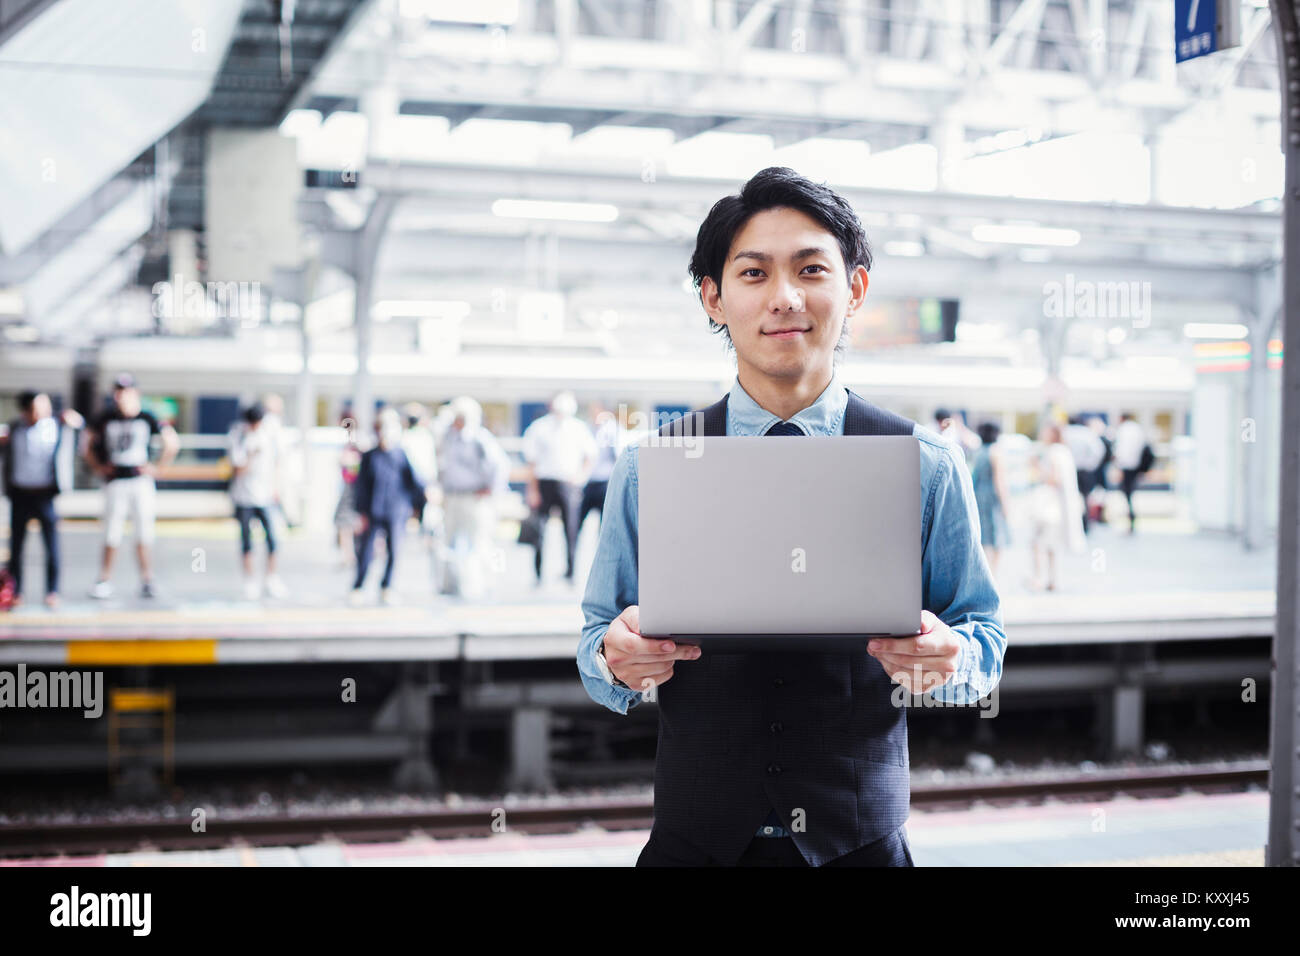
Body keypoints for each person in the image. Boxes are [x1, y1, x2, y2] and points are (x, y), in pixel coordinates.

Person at [578, 166, 1006, 867]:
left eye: (811, 269)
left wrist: (953, 660)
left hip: (860, 847)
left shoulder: (924, 463)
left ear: (855, 288)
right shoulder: (650, 464)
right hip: (694, 847)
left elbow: (983, 636)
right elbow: (597, 640)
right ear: (712, 298)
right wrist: (616, 661)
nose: (784, 297)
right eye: (752, 274)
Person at [84, 374, 179, 600]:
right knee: (111, 532)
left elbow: (171, 441)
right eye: (117, 392)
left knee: (144, 531)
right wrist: (98, 466)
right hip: (115, 480)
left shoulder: (147, 417)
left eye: (125, 392)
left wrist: (158, 468)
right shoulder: (105, 418)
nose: (120, 397)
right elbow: (86, 444)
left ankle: (147, 579)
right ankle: (104, 578)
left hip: (139, 480)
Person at [1, 391, 82, 609]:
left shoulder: (57, 425)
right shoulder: (14, 428)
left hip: (45, 494)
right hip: (20, 493)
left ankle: (52, 591)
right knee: (16, 547)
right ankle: (16, 591)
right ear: (26, 410)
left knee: (51, 545)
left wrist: (75, 421)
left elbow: (83, 432)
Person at [351, 408, 426, 606]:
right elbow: (360, 487)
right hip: (373, 510)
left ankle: (387, 587)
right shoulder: (369, 457)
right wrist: (361, 512)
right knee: (366, 550)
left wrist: (420, 505)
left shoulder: (401, 454)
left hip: (396, 510)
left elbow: (414, 482)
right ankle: (358, 586)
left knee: (395, 550)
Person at [436, 397, 508, 599]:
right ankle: (449, 585)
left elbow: (499, 465)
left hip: (475, 498)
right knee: (448, 542)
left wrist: (491, 489)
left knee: (479, 543)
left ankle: (480, 586)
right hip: (453, 496)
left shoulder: (480, 438)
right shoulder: (448, 437)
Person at [522, 391, 595, 585]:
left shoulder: (578, 428)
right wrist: (533, 490)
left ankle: (571, 571)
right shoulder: (539, 428)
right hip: (544, 482)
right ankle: (538, 572)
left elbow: (590, 455)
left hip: (568, 483)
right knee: (539, 529)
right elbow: (531, 461)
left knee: (571, 529)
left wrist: (580, 477)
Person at [228, 402, 287, 600]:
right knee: (247, 541)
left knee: (272, 539)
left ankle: (271, 578)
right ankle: (250, 580)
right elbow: (237, 469)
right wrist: (251, 456)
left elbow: (278, 461)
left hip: (266, 497)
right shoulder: (239, 436)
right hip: (244, 497)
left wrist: (277, 487)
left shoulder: (270, 434)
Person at [1028, 420, 1085, 591]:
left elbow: (1054, 479)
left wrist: (1036, 466)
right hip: (1060, 507)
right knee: (1051, 545)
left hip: (1048, 505)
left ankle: (1039, 578)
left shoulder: (1053, 452)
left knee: (1038, 543)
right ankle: (1053, 580)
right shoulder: (1065, 452)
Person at [969, 421, 1011, 577]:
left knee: (983, 535)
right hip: (992, 498)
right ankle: (992, 572)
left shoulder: (979, 452)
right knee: (997, 536)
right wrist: (1006, 504)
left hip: (979, 496)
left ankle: (984, 571)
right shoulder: (996, 452)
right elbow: (1000, 481)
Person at [577, 401, 624, 535]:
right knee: (577, 522)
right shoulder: (586, 428)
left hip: (605, 482)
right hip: (588, 481)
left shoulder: (613, 430)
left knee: (604, 524)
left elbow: (618, 455)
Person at [1064, 415, 1105, 535]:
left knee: (1071, 497)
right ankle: (1085, 524)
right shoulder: (1087, 433)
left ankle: (1074, 524)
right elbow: (1098, 451)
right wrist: (1091, 465)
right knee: (1086, 497)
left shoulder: (1066, 432)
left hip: (1070, 470)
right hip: (1085, 470)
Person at [1112, 412, 1146, 535]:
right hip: (1135, 466)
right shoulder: (1137, 429)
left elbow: (1121, 451)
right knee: (1129, 493)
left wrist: (1118, 467)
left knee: (1127, 493)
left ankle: (1130, 519)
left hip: (1126, 466)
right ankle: (1131, 520)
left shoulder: (1124, 430)